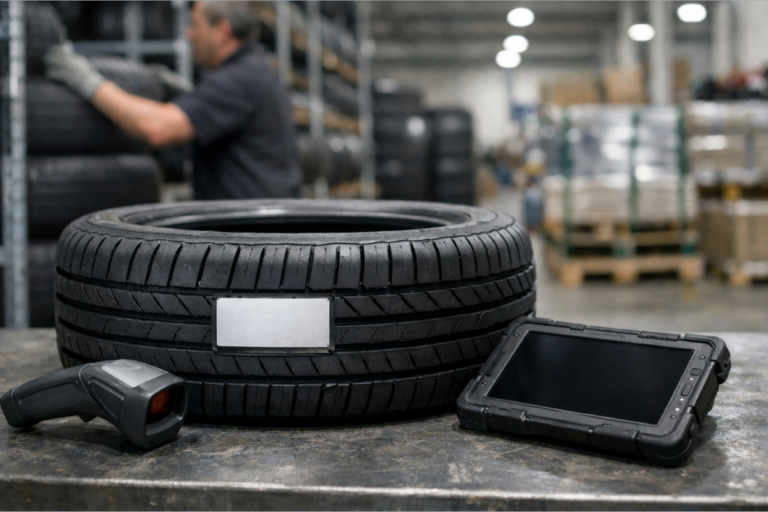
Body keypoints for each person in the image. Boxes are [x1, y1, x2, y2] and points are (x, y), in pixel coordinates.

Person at [45, 1, 302, 200]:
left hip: (251, 242)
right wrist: (186, 94)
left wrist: (82, 78)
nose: (189, 35)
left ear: (222, 31)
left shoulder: (236, 80)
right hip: (263, 234)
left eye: (196, 25)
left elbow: (157, 128)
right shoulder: (256, 70)